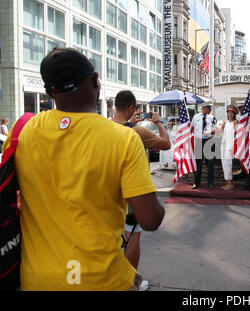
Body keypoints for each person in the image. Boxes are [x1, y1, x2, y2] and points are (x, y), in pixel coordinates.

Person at [2, 48, 165, 290]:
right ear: (96, 81)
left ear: (50, 91)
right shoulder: (123, 139)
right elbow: (150, 219)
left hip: (36, 279)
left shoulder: (22, 130)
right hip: (100, 280)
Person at [113, 90, 171, 271]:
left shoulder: (105, 127)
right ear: (131, 108)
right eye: (136, 108)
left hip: (109, 187)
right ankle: (131, 279)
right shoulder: (137, 131)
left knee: (115, 234)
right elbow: (166, 143)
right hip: (132, 188)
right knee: (133, 235)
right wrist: (159, 122)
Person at [191, 101, 217, 190]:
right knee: (198, 164)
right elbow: (192, 128)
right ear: (204, 108)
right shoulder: (196, 117)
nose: (210, 110)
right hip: (198, 142)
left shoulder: (212, 118)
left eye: (210, 109)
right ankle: (196, 183)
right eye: (209, 109)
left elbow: (216, 129)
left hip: (209, 141)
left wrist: (212, 132)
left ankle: (210, 183)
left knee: (210, 164)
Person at [220, 105, 238, 190]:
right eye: (228, 113)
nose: (230, 114)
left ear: (234, 114)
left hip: (230, 147)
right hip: (223, 146)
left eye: (231, 113)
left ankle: (230, 183)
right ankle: (228, 182)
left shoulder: (235, 122)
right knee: (224, 165)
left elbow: (237, 134)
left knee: (228, 165)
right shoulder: (225, 122)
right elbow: (219, 132)